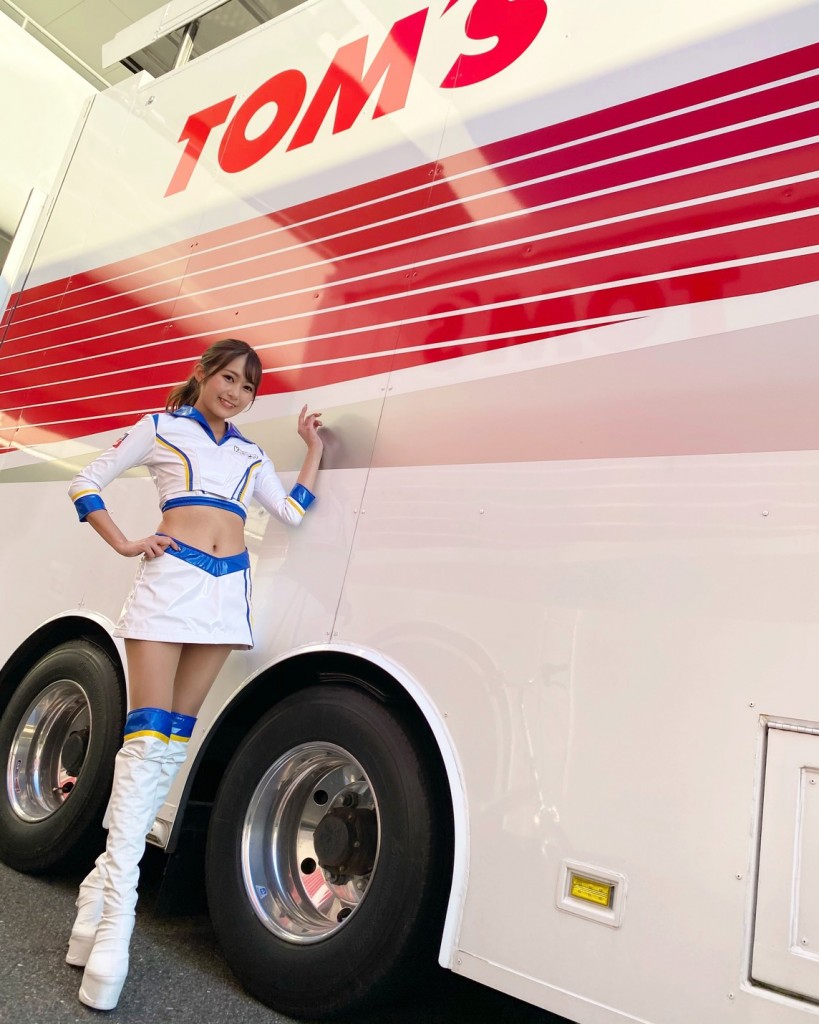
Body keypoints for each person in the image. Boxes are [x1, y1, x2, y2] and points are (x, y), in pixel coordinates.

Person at [65, 338, 323, 1011]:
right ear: (204, 374)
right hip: (169, 579)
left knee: (172, 745)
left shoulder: (250, 454)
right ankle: (117, 918)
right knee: (146, 742)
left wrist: (313, 450)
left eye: (248, 386)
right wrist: (127, 542)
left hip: (226, 591)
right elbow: (84, 483)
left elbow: (291, 512)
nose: (235, 392)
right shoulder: (161, 427)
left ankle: (97, 893)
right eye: (228, 377)